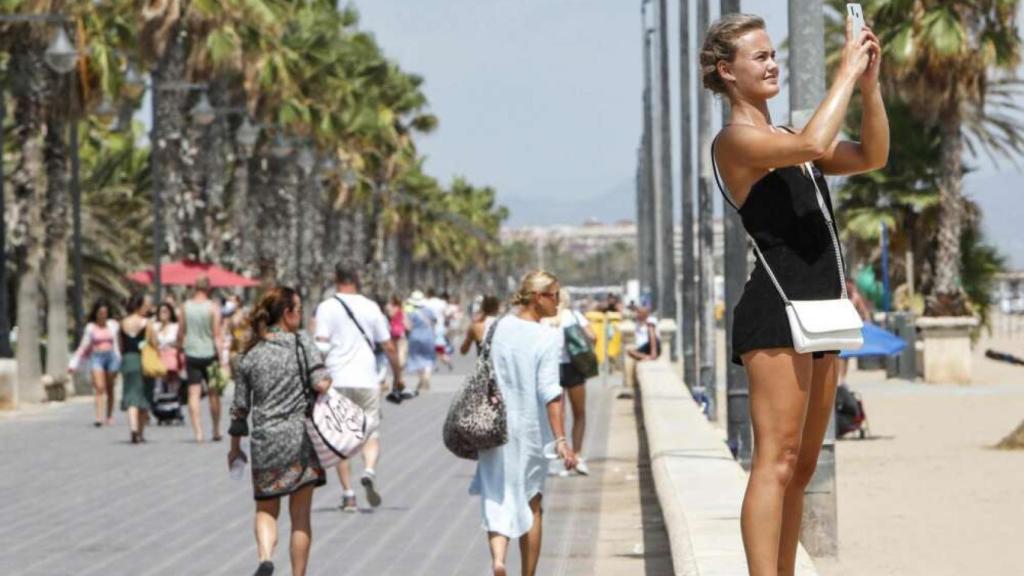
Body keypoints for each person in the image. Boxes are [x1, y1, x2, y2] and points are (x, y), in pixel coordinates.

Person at [703, 12, 887, 575]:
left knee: (802, 466)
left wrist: (869, 86)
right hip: (776, 312)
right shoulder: (735, 141)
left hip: (821, 312)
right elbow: (815, 141)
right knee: (775, 461)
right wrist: (844, 72)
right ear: (726, 71)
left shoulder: (785, 137)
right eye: (759, 56)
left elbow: (872, 156)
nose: (772, 63)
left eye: (773, 53)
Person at [471, 270, 577, 576]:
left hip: (493, 427)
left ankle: (498, 560)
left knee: (497, 495)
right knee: (532, 502)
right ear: (537, 297)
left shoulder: (496, 326)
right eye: (554, 295)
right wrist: (561, 439)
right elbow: (550, 392)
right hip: (530, 432)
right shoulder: (546, 337)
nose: (558, 302)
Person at [229, 287, 331, 576]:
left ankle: (265, 559)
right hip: (300, 441)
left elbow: (239, 410)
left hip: (265, 442)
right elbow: (321, 382)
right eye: (298, 310)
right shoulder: (301, 342)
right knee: (300, 516)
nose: (300, 315)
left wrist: (234, 448)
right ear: (287, 313)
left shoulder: (250, 354)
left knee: (265, 510)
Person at [314, 263, 403, 513]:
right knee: (370, 432)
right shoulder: (371, 307)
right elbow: (388, 346)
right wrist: (398, 376)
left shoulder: (326, 307)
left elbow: (320, 345)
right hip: (366, 379)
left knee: (342, 437)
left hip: (336, 380)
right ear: (357, 278)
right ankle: (369, 470)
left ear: (335, 277)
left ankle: (348, 494)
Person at [551, 289, 596, 476]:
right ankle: (577, 455)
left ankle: (561, 456)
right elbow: (593, 337)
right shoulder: (574, 316)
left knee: (558, 415)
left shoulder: (545, 319)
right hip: (574, 367)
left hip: (552, 369)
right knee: (579, 413)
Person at [178, 276, 226, 443]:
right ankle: (216, 429)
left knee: (193, 393)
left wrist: (179, 348)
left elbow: (181, 332)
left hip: (191, 352)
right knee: (214, 394)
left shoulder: (185, 307)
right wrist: (222, 359)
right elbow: (217, 335)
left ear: (194, 287)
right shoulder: (213, 307)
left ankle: (198, 432)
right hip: (210, 353)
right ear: (208, 288)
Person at [71, 299, 121, 427]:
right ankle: (99, 417)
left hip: (111, 357)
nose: (103, 316)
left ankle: (109, 415)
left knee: (110, 387)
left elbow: (118, 343)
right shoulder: (90, 327)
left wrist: (119, 359)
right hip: (97, 357)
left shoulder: (113, 325)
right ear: (96, 313)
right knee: (99, 387)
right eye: (100, 313)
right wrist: (74, 363)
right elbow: (83, 346)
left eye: (105, 313)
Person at [120, 294, 154, 444]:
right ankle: (140, 432)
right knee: (144, 395)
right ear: (139, 306)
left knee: (131, 395)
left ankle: (133, 428)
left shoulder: (123, 323)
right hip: (143, 361)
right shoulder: (146, 323)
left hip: (128, 359)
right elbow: (154, 342)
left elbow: (121, 345)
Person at [403, 290, 438, 398]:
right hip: (428, 335)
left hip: (415, 335)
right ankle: (427, 375)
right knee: (428, 357)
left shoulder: (410, 310)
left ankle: (421, 377)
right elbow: (435, 321)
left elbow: (407, 325)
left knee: (415, 357)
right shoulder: (428, 310)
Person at [151, 302, 183, 405]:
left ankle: (174, 405)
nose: (163, 314)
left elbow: (180, 343)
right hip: (158, 357)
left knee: (172, 385)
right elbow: (153, 343)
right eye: (161, 312)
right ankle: (160, 406)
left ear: (170, 313)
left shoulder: (175, 327)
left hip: (172, 358)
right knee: (159, 385)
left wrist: (171, 345)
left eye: (165, 311)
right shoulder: (155, 327)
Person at [425, 289, 452, 372]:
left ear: (428, 294)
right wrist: (447, 324)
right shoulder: (442, 303)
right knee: (439, 347)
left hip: (429, 328)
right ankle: (445, 360)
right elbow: (447, 314)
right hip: (440, 327)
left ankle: (434, 364)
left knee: (430, 348)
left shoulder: (426, 302)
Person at [385, 295, 407, 370]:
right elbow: (404, 320)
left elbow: (389, 315)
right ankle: (401, 364)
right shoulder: (401, 309)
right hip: (400, 330)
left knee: (395, 349)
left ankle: (396, 364)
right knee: (401, 349)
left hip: (393, 330)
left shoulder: (391, 309)